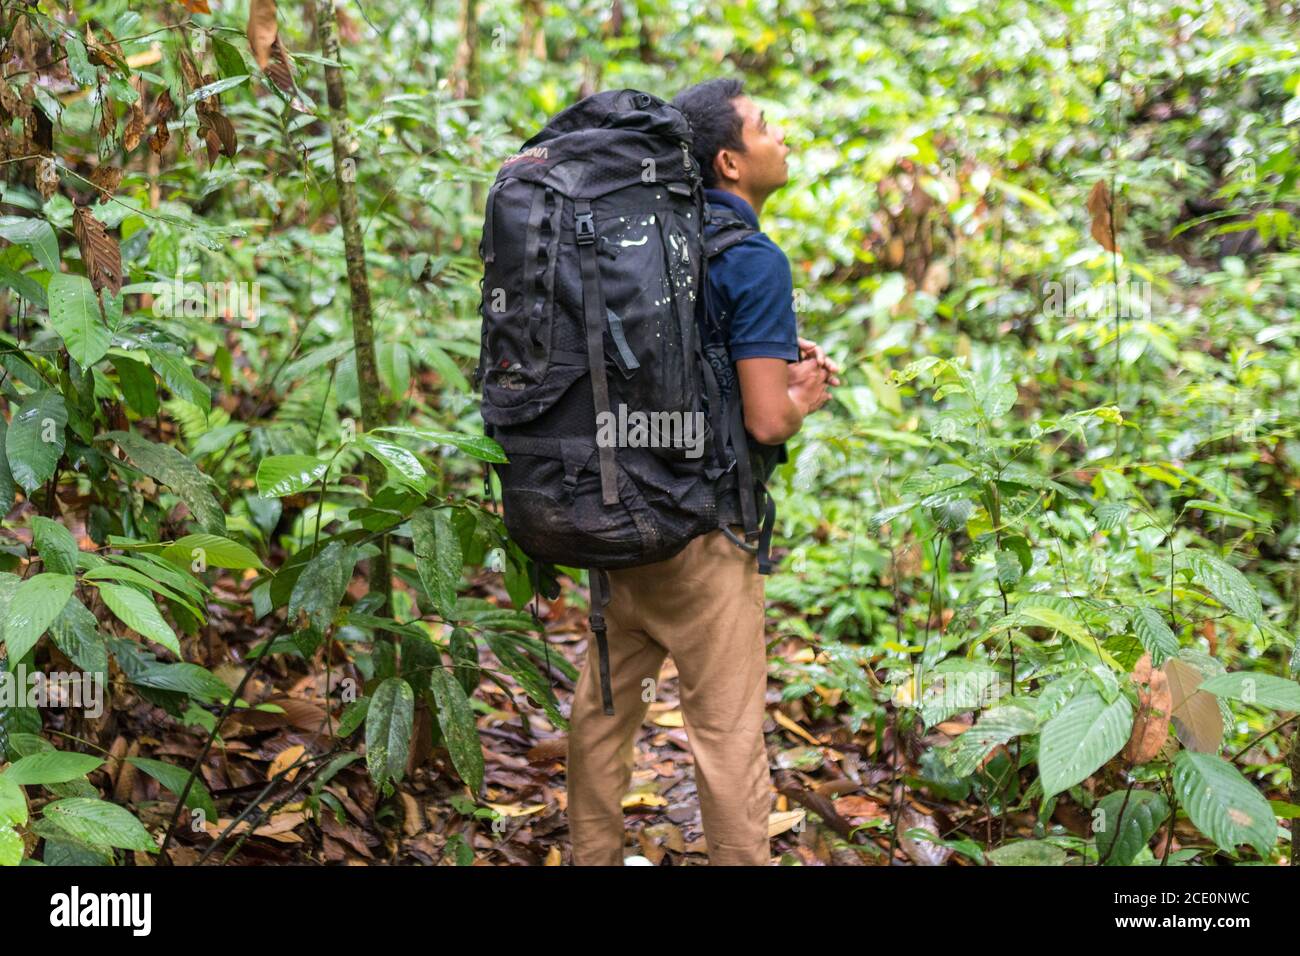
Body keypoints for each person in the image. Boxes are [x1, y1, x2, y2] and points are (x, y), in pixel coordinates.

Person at [564, 77, 839, 866]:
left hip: (618, 518)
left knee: (602, 715)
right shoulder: (752, 259)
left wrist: (777, 373)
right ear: (729, 160)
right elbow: (762, 419)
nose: (779, 135)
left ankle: (590, 855)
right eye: (764, 126)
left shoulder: (642, 240)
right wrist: (803, 397)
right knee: (725, 739)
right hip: (706, 537)